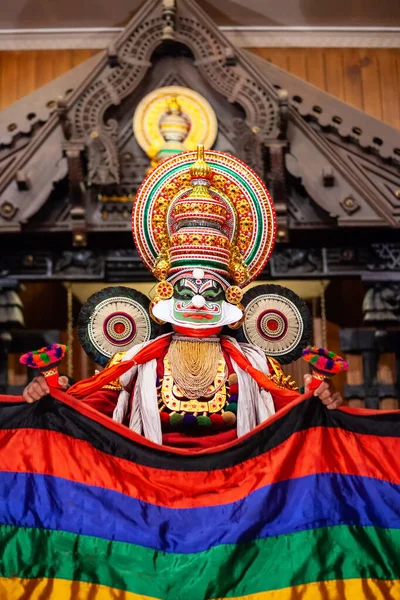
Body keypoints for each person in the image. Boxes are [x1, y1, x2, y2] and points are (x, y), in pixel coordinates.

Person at [23, 146, 343, 449]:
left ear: (231, 298)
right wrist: (53, 393)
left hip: (238, 493)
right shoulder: (133, 363)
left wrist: (320, 400)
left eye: (211, 292)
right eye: (186, 291)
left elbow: (296, 412)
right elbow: (87, 410)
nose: (198, 303)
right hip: (153, 494)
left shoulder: (258, 366)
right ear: (166, 293)